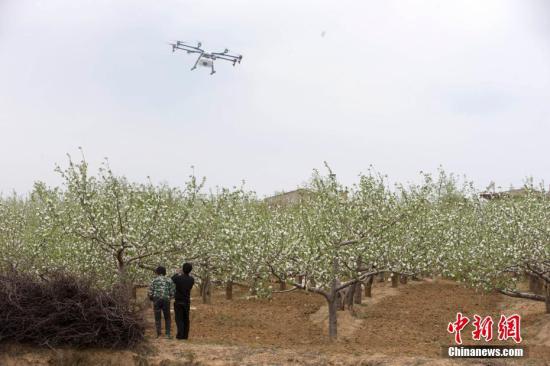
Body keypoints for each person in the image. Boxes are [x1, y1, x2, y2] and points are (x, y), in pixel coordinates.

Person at [148, 266, 175, 339]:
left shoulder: (154, 280)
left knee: (157, 317)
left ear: (157, 272)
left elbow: (150, 292)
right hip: (166, 299)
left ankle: (158, 334)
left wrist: (152, 298)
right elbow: (173, 292)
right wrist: (170, 297)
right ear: (165, 272)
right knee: (167, 317)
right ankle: (167, 334)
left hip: (156, 299)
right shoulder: (169, 280)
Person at [172, 262, 195, 340]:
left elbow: (172, 279)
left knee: (179, 319)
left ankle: (180, 335)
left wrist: (177, 273)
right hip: (186, 301)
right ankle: (185, 336)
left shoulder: (178, 278)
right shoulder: (192, 279)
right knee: (186, 318)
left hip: (178, 301)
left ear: (182, 269)